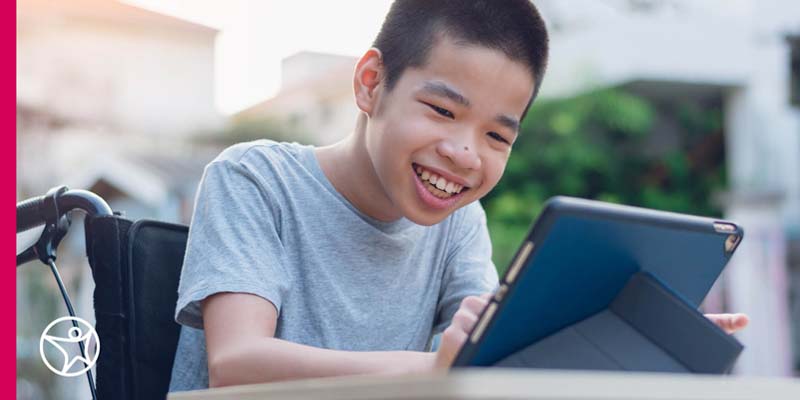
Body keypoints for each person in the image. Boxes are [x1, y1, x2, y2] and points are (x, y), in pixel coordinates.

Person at [168, 0, 748, 392]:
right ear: (372, 84)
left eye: (497, 135)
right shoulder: (254, 179)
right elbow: (236, 364)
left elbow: (489, 364)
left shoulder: (460, 223)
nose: (466, 154)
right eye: (443, 110)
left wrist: (638, 337)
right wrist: (435, 367)